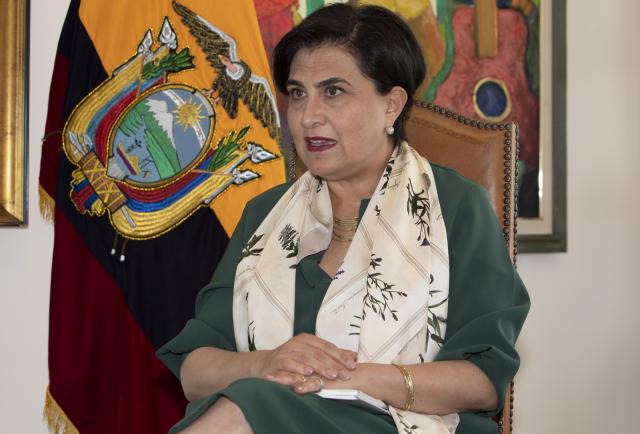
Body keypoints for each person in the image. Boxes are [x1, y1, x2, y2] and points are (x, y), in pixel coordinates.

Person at [157, 4, 529, 434]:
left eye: (333, 91)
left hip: (409, 424)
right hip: (269, 414)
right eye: (298, 93)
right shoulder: (265, 215)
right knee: (250, 401)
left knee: (248, 405)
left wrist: (351, 380)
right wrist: (266, 363)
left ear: (391, 106)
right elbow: (196, 371)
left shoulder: (457, 207)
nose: (308, 116)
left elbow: (481, 381)